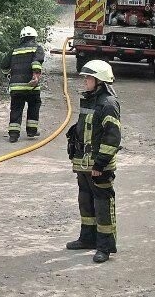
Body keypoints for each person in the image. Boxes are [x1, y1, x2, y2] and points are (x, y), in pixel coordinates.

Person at [64, 60, 122, 264]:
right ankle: (87, 238)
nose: (85, 81)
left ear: (99, 81)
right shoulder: (89, 100)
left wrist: (100, 164)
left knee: (102, 205)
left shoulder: (108, 104)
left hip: (99, 167)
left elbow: (113, 137)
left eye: (89, 78)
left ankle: (104, 247)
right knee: (85, 201)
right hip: (83, 164)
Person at [0, 26, 45, 143]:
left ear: (21, 38)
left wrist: (9, 76)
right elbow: (36, 62)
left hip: (16, 87)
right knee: (34, 105)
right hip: (31, 86)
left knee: (16, 108)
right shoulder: (37, 48)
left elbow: (4, 66)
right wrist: (35, 76)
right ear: (34, 37)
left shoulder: (14, 50)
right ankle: (31, 130)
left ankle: (13, 135)